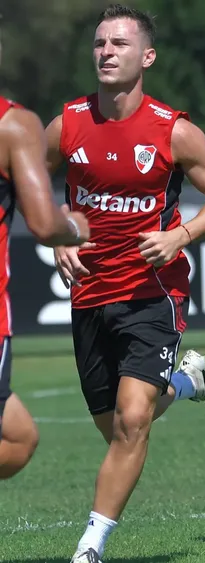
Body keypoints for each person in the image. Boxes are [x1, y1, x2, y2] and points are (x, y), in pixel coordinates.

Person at [43, 5, 205, 562]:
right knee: (118, 431)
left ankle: (90, 546)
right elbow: (30, 183)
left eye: (120, 44)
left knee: (133, 420)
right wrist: (57, 234)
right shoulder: (67, 123)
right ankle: (188, 382)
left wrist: (181, 235)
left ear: (146, 57)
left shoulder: (173, 130)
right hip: (89, 292)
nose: (106, 52)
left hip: (154, 291)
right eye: (100, 43)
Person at [0, 20, 93, 480]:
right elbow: (42, 223)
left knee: (19, 435)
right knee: (18, 440)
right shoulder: (13, 123)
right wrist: (75, 226)